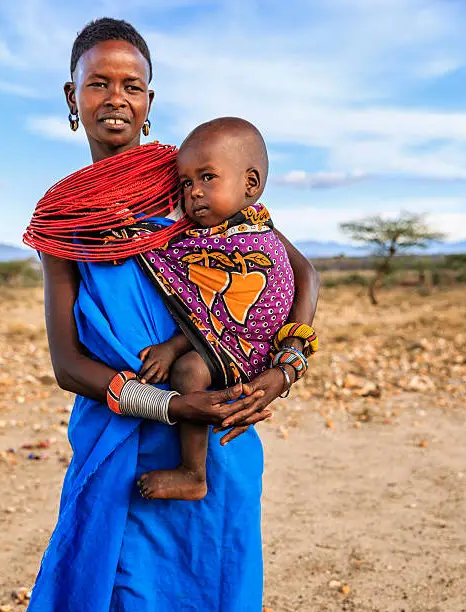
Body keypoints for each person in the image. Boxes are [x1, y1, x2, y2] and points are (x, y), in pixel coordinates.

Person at [26, 17, 320, 612]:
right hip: (123, 436)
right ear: (71, 97)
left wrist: (285, 370)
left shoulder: (192, 180)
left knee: (214, 581)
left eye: (132, 86)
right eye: (98, 84)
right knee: (123, 587)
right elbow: (66, 363)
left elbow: (299, 272)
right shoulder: (62, 218)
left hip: (215, 432)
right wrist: (169, 404)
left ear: (149, 100)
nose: (116, 99)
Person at [136, 116, 313, 502]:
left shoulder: (255, 235)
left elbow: (218, 310)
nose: (194, 192)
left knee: (186, 370)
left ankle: (192, 472)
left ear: (251, 184)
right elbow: (208, 309)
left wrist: (288, 364)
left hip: (253, 350)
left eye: (207, 177)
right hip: (233, 345)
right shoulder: (208, 234)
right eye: (186, 183)